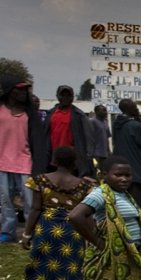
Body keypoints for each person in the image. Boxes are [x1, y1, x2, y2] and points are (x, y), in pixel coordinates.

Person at [68, 157, 141, 279]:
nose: (124, 179)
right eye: (118, 175)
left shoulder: (124, 194)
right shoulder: (101, 194)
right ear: (105, 175)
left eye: (128, 175)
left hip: (132, 252)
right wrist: (99, 243)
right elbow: (75, 216)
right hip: (113, 254)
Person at [22, 147, 93, 279]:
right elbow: (86, 214)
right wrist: (92, 237)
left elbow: (35, 209)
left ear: (54, 161)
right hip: (73, 230)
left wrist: (27, 234)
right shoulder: (84, 185)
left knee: (41, 264)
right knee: (70, 266)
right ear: (75, 163)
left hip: (46, 229)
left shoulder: (41, 180)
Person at [0, 77, 47, 244]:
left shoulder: (30, 114)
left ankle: (31, 233)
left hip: (25, 164)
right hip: (2, 164)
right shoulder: (1, 109)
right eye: (18, 89)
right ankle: (7, 232)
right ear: (9, 91)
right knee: (5, 202)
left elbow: (39, 142)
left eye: (25, 90)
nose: (22, 93)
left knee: (30, 203)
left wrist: (39, 168)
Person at [112, 99, 141, 214]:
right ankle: (139, 227)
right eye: (135, 107)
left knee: (124, 201)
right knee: (140, 201)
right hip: (136, 169)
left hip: (121, 167)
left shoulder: (117, 125)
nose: (137, 109)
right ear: (129, 109)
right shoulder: (135, 126)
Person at [49, 85, 94, 177]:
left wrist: (88, 157)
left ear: (72, 97)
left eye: (68, 96)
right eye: (63, 95)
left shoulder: (79, 115)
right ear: (58, 96)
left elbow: (89, 137)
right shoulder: (51, 114)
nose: (65, 98)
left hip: (71, 159)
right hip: (53, 158)